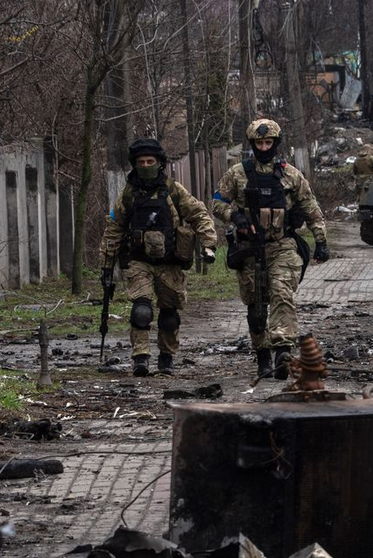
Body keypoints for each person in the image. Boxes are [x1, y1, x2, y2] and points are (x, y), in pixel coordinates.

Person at [212, 119, 329, 380]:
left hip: (282, 245)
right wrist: (235, 217)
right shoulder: (237, 174)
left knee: (281, 293)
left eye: (268, 143)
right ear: (252, 144)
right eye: (259, 143)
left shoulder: (291, 175)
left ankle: (282, 351)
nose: (264, 147)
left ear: (276, 144)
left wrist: (320, 240)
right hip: (250, 249)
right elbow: (217, 202)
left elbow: (310, 207)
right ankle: (263, 356)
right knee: (256, 308)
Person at [100, 138, 216, 377]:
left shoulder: (173, 190)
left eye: (150, 161)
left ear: (159, 162)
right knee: (141, 310)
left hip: (170, 262)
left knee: (169, 316)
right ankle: (140, 358)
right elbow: (114, 229)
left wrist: (208, 244)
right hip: (139, 261)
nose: (145, 165)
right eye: (141, 162)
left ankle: (166, 358)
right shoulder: (129, 194)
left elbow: (198, 214)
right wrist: (106, 264)